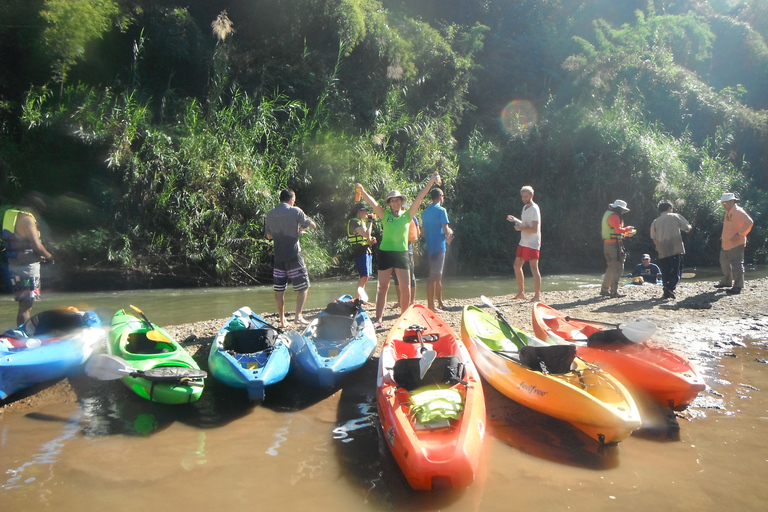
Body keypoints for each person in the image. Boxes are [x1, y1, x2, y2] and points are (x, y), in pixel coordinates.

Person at [357, 172, 440, 328]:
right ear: (389, 203)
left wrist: (430, 182)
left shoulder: (408, 215)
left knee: (405, 288)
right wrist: (362, 191)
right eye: (392, 201)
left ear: (401, 202)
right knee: (382, 287)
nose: (395, 203)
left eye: (397, 200)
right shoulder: (385, 214)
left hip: (401, 254)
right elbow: (373, 203)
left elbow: (419, 198)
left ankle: (404, 318)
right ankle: (378, 319)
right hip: (385, 253)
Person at [265, 189, 317, 328]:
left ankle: (282, 321)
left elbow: (269, 236)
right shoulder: (295, 211)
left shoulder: (270, 214)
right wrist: (301, 229)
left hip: (279, 256)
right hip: (294, 255)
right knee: (304, 285)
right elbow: (312, 225)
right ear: (291, 200)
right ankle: (298, 316)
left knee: (279, 289)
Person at [1, 193, 54, 326]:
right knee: (26, 307)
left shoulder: (11, 215)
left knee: (23, 304)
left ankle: (21, 333)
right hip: (27, 267)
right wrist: (49, 257)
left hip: (14, 265)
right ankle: (23, 336)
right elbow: (36, 245)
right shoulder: (27, 219)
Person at [506, 185, 541, 302]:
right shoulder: (525, 208)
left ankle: (537, 296)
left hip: (532, 243)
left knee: (534, 268)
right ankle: (521, 293)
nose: (524, 198)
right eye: (523, 197)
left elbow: (534, 229)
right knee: (517, 266)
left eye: (526, 196)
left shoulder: (534, 209)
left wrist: (520, 229)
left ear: (532, 195)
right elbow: (525, 224)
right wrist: (515, 220)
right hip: (523, 242)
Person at [650, 201, 693, 299]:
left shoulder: (655, 221)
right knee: (677, 270)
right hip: (675, 248)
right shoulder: (675, 216)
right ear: (670, 208)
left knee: (665, 271)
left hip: (662, 250)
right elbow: (687, 228)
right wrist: (690, 226)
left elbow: (653, 237)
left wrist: (658, 247)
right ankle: (669, 287)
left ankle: (666, 292)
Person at [714, 192, 753, 295]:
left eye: (725, 203)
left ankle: (738, 286)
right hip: (726, 243)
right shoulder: (729, 211)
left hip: (736, 244)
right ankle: (727, 282)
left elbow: (750, 222)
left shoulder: (738, 212)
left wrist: (740, 234)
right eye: (723, 203)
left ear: (732, 201)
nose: (723, 205)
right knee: (724, 263)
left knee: (737, 265)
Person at [422, 188, 454, 312]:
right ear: (441, 196)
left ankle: (440, 303)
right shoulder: (442, 210)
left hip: (430, 247)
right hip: (439, 247)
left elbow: (423, 233)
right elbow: (446, 230)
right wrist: (450, 231)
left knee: (438, 276)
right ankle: (431, 306)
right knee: (433, 277)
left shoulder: (426, 212)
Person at [600, 199, 636, 298]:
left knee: (611, 266)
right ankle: (614, 291)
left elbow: (615, 231)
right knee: (618, 267)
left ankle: (604, 290)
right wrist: (628, 229)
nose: (623, 212)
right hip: (614, 245)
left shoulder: (608, 214)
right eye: (623, 210)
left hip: (608, 244)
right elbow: (618, 230)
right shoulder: (614, 216)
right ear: (619, 209)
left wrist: (625, 234)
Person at [347, 203, 376, 302]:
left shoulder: (360, 222)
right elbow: (366, 234)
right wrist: (370, 221)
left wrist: (370, 241)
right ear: (359, 211)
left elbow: (366, 238)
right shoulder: (354, 223)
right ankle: (357, 299)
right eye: (365, 211)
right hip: (359, 252)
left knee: (364, 276)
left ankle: (359, 298)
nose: (366, 213)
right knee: (364, 276)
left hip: (365, 250)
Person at [393, 216, 419, 306]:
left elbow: (417, 233)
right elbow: (418, 233)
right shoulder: (409, 216)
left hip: (404, 250)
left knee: (406, 275)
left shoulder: (411, 217)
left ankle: (409, 301)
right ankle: (405, 301)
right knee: (402, 275)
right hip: (400, 251)